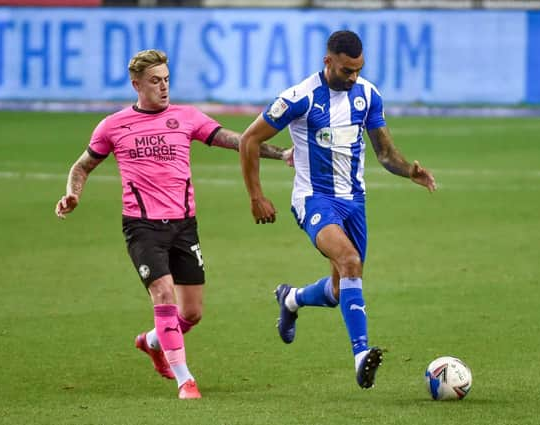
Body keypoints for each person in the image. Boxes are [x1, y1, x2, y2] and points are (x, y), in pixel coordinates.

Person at [55, 49, 292, 400]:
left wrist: (281, 153)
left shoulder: (187, 117)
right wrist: (72, 193)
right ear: (136, 85)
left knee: (192, 313)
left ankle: (152, 341)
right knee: (163, 294)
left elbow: (236, 140)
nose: (163, 87)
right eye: (155, 81)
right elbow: (81, 166)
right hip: (142, 226)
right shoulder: (113, 125)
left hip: (184, 225)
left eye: (166, 80)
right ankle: (186, 380)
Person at [239, 30, 436, 389]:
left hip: (354, 203)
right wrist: (256, 196)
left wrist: (410, 171)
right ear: (327, 62)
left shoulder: (368, 95)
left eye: (358, 70)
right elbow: (249, 139)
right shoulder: (300, 97)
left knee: (338, 287)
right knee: (350, 262)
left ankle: (292, 298)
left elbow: (386, 154)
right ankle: (361, 355)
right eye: (347, 70)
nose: (353, 77)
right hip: (313, 199)